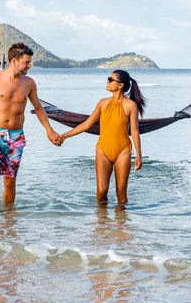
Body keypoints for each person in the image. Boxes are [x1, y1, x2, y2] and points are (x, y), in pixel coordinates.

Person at [0, 42, 63, 206]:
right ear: (14, 61)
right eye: (26, 62)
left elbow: (39, 108)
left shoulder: (29, 83)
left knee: (10, 180)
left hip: (15, 136)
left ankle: (8, 217)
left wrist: (50, 131)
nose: (30, 65)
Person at [61, 70, 145, 205]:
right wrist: (64, 136)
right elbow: (87, 124)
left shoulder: (130, 105)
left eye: (111, 79)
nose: (107, 81)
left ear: (120, 85)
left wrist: (139, 156)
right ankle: (102, 223)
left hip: (123, 151)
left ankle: (121, 224)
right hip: (102, 151)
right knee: (101, 192)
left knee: (121, 194)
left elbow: (134, 131)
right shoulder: (102, 103)